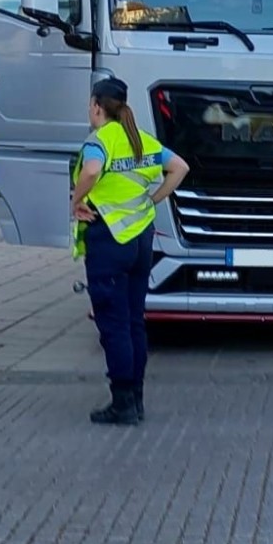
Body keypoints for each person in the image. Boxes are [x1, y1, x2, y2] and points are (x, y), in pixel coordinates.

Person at [72, 75, 190, 425]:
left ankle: (122, 402)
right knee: (134, 321)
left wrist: (75, 200)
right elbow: (179, 167)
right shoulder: (142, 140)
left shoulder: (100, 141)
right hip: (141, 240)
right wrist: (153, 199)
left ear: (96, 106)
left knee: (113, 325)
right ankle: (135, 399)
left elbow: (92, 170)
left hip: (109, 241)